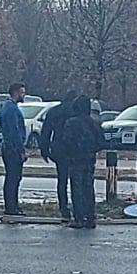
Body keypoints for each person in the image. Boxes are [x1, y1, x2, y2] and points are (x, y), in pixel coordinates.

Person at [61, 95, 104, 229]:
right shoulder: (93, 123)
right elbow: (101, 142)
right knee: (89, 188)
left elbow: (66, 142)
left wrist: (70, 153)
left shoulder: (71, 123)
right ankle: (90, 217)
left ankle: (78, 218)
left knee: (77, 188)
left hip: (75, 160)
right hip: (89, 159)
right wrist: (91, 150)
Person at [39, 90, 77, 222]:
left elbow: (46, 132)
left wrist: (44, 149)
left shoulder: (54, 112)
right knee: (76, 180)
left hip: (58, 149)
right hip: (74, 150)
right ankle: (78, 207)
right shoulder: (75, 112)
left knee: (62, 180)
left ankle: (64, 207)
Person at [0, 82, 27, 216]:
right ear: (16, 92)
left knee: (13, 177)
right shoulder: (11, 109)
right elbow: (14, 131)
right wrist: (21, 150)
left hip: (9, 147)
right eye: (22, 92)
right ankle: (11, 207)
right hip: (12, 149)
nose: (24, 95)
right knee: (13, 178)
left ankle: (12, 206)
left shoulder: (9, 107)